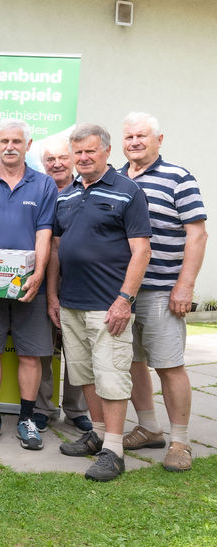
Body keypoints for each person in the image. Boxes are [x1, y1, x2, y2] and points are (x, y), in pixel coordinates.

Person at [48, 123, 152, 482]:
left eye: (90, 151)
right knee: (84, 373)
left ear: (107, 151)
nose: (83, 157)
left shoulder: (128, 191)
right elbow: (57, 250)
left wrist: (124, 300)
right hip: (71, 303)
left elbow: (142, 251)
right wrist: (52, 296)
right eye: (77, 152)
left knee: (111, 376)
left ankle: (114, 451)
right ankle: (97, 434)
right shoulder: (66, 195)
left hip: (109, 305)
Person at [118, 112, 207, 472]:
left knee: (169, 366)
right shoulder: (116, 179)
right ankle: (148, 428)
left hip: (161, 290)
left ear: (159, 139)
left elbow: (197, 234)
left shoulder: (178, 178)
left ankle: (180, 441)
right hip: (122, 293)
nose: (135, 142)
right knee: (133, 362)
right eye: (129, 137)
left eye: (142, 135)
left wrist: (185, 284)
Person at [0, 119, 57, 450]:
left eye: (17, 141)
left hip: (29, 285)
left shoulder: (44, 185)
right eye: (4, 141)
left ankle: (27, 419)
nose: (10, 146)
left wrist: (39, 273)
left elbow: (44, 234)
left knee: (31, 355)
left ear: (28, 145)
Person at [34, 137, 90, 432]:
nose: (56, 164)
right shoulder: (37, 190)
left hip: (78, 280)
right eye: (50, 159)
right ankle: (43, 407)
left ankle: (76, 409)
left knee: (77, 347)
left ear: (73, 160)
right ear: (43, 164)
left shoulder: (86, 189)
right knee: (42, 346)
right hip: (39, 280)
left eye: (62, 158)